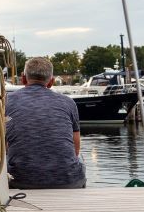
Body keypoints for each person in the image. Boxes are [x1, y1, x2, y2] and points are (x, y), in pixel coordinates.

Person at [5, 56, 86, 189]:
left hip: (20, 181)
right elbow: (75, 149)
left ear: (23, 78)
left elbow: (2, 145)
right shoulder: (68, 103)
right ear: (51, 82)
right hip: (68, 181)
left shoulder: (6, 101)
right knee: (80, 158)